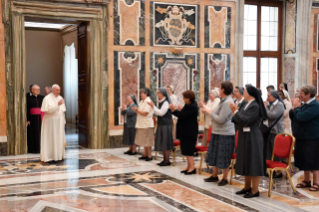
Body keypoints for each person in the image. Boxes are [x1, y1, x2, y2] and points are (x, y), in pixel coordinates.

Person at [230, 86, 268, 198]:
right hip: (244, 135)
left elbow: (245, 120)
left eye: (245, 91)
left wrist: (235, 111)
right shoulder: (245, 104)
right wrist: (235, 112)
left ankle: (255, 190)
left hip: (253, 137)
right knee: (246, 161)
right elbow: (238, 120)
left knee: (254, 162)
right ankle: (247, 187)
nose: (243, 93)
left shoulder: (255, 105)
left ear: (250, 94)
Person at [201, 81, 235, 186]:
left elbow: (221, 119)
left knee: (224, 155)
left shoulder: (227, 102)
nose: (218, 90)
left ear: (223, 90)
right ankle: (214, 175)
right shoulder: (222, 100)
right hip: (217, 132)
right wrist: (209, 110)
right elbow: (216, 113)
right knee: (215, 153)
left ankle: (225, 178)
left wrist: (209, 112)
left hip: (225, 133)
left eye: (219, 88)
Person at [291, 85, 319, 191]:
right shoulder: (304, 104)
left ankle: (317, 182)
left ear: (308, 94)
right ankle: (306, 180)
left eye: (301, 93)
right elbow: (293, 115)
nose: (299, 95)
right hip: (302, 137)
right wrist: (294, 107)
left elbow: (302, 117)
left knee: (314, 160)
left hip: (312, 138)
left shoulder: (314, 105)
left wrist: (297, 108)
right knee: (304, 159)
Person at [169, 90, 198, 174]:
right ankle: (188, 166)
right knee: (185, 149)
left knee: (189, 150)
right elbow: (183, 113)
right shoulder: (188, 105)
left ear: (189, 98)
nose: (184, 99)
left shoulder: (192, 106)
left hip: (190, 131)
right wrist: (178, 110)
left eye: (185, 98)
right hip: (185, 131)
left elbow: (183, 116)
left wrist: (174, 110)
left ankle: (192, 168)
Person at [148, 87, 174, 166]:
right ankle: (164, 159)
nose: (157, 94)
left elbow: (161, 113)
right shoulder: (162, 102)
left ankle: (167, 160)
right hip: (162, 124)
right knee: (163, 142)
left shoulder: (166, 102)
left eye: (158, 92)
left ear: (163, 93)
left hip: (166, 125)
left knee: (165, 142)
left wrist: (153, 106)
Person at [40, 84, 66, 162]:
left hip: (59, 123)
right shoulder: (47, 98)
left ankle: (59, 155)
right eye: (57, 90)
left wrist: (64, 121)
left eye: (59, 90)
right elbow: (47, 110)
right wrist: (57, 104)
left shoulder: (60, 98)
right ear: (53, 90)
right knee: (51, 139)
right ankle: (50, 156)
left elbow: (62, 111)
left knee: (59, 138)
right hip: (50, 123)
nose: (59, 92)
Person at [264, 90, 285, 178]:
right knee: (270, 151)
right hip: (270, 131)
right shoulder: (270, 104)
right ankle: (270, 170)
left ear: (274, 97)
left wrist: (265, 107)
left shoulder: (280, 105)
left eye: (269, 96)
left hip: (277, 132)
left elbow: (272, 116)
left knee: (277, 153)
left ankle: (278, 172)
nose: (267, 97)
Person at [132, 88, 154, 161]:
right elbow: (139, 111)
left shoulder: (148, 101)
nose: (141, 94)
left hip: (147, 124)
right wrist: (136, 110)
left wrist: (137, 110)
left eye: (142, 93)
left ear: (146, 94)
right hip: (141, 123)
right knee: (144, 141)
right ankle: (145, 154)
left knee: (148, 141)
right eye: (140, 93)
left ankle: (150, 155)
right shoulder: (142, 101)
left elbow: (145, 113)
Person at [26, 84, 44, 153]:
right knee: (32, 134)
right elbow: (27, 110)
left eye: (38, 89)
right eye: (36, 89)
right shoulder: (28, 98)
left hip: (41, 117)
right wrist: (28, 119)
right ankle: (33, 149)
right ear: (32, 90)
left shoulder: (42, 98)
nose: (37, 91)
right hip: (32, 119)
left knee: (41, 133)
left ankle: (41, 148)